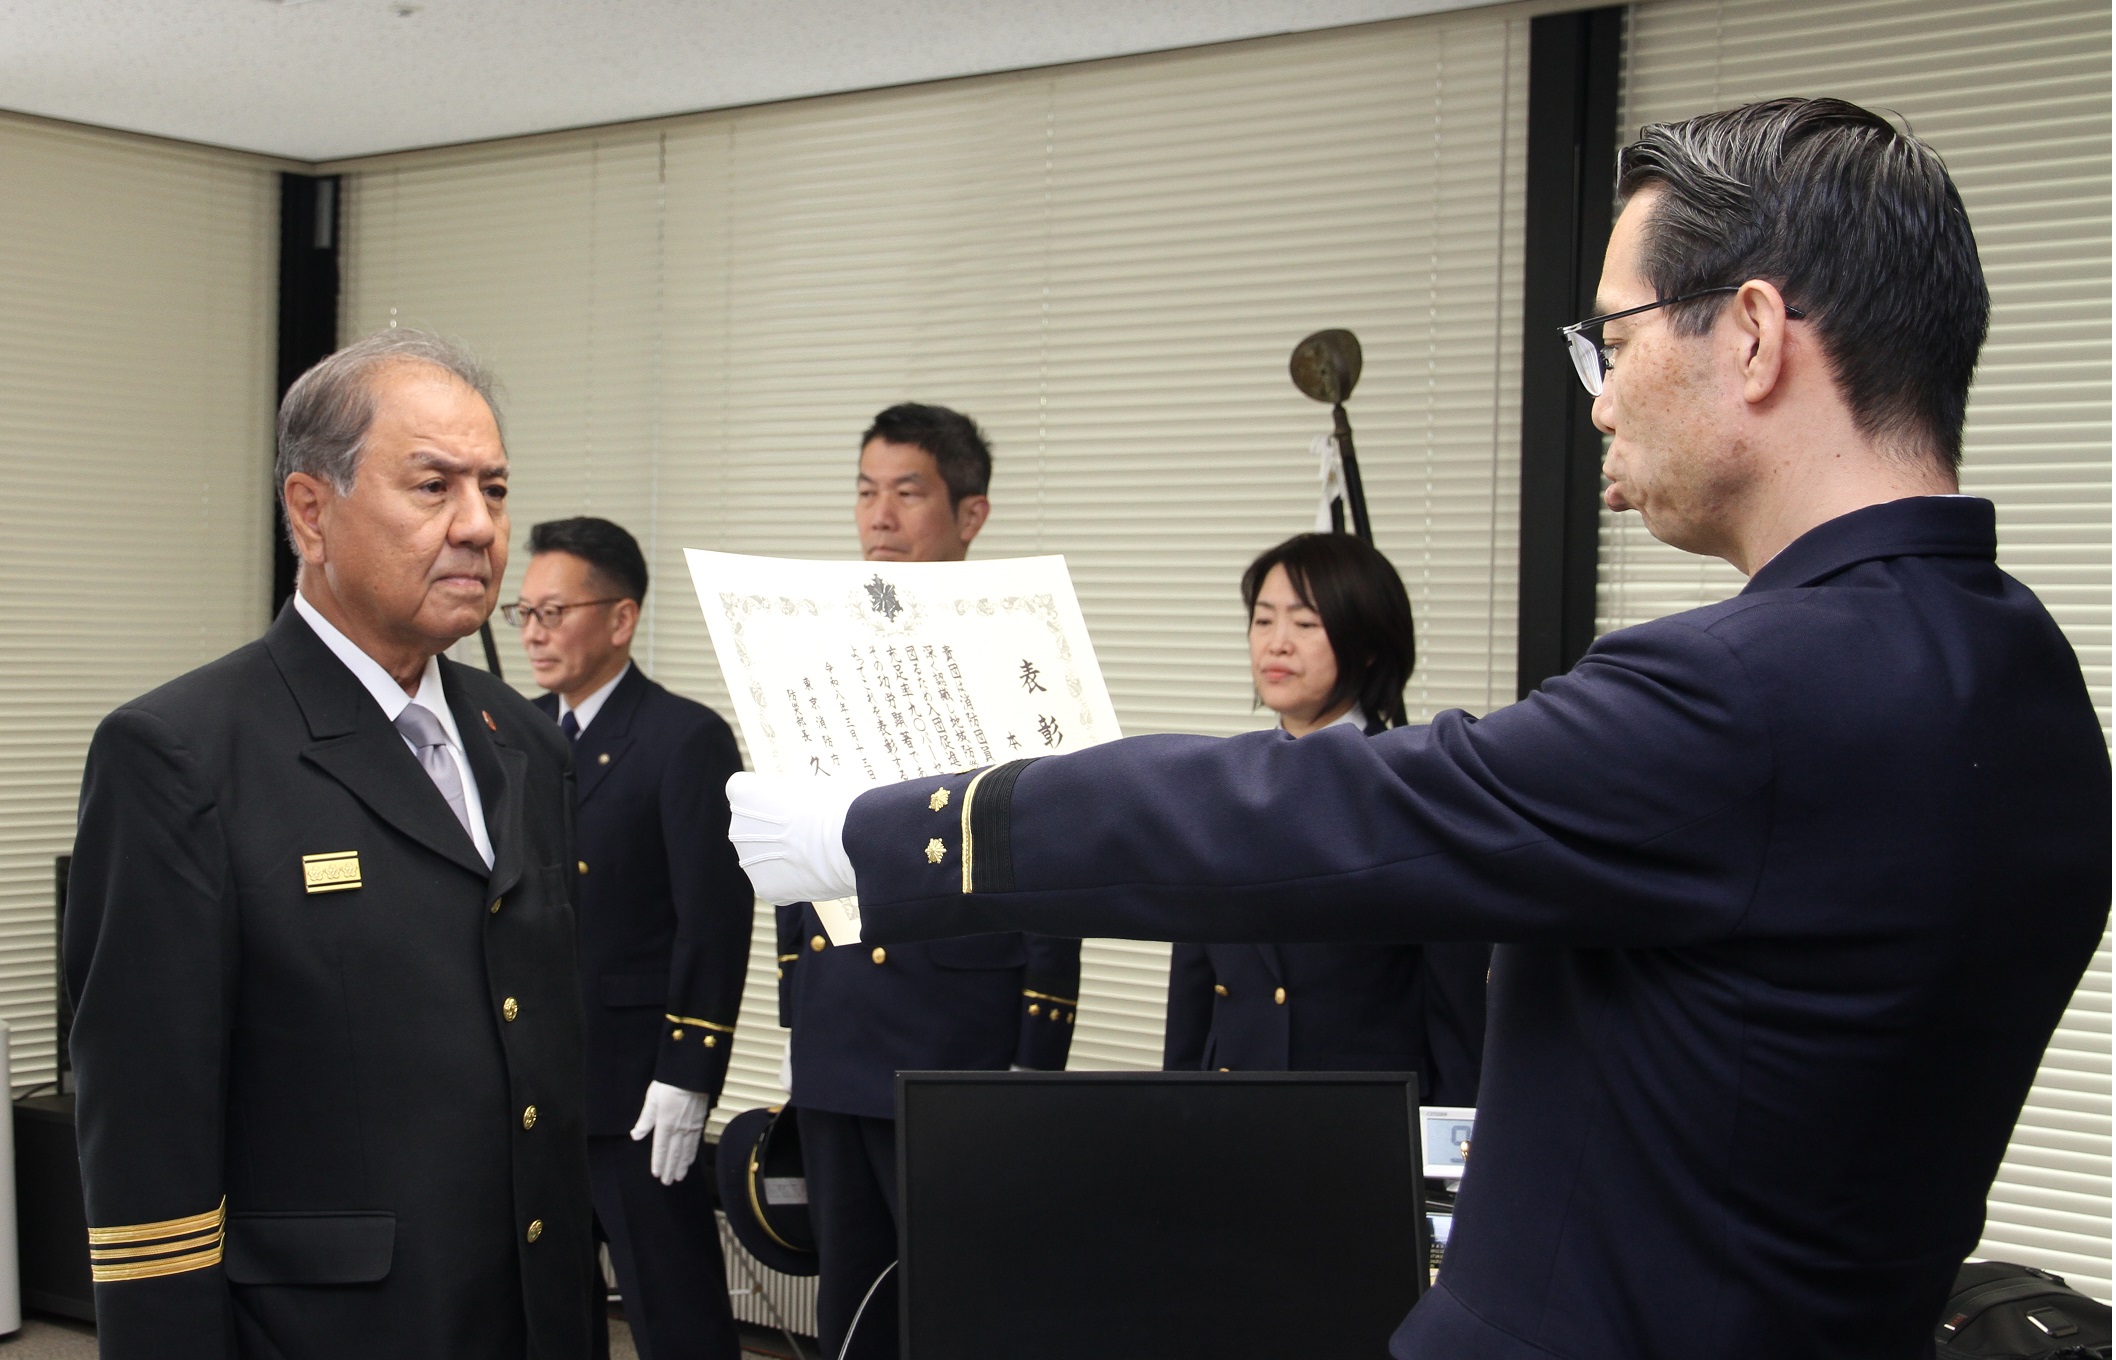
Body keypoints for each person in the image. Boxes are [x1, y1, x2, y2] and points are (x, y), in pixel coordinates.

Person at [727, 99, 2112, 1360]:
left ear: (1749, 333)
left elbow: (1313, 815)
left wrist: (881, 830)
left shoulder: (1746, 692)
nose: (1600, 396)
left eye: (1616, 338)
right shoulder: (2025, 677)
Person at [66, 331, 596, 1358]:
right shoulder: (183, 754)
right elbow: (146, 1131)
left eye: (493, 489)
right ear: (311, 511)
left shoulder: (522, 741)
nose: (478, 526)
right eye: (433, 486)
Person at [776, 402, 1080, 1360]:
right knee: (851, 1307)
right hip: (838, 1029)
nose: (880, 517)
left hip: (958, 1039)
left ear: (970, 514)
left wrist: (1037, 1051)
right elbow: (793, 834)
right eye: (866, 492)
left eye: (907, 494)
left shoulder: (1018, 657)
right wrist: (796, 1008)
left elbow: (1059, 859)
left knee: (962, 1307)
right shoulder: (818, 652)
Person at [514, 517, 752, 1360]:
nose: (534, 633)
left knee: (672, 1307)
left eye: (554, 612)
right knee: (550, 1311)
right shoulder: (515, 731)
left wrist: (689, 1072)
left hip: (638, 1088)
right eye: (524, 613)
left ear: (621, 618)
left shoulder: (684, 738)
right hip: (541, 1081)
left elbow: (713, 918)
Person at [1163, 533, 1487, 1104]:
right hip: (1227, 1110)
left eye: (1306, 623)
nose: (1277, 644)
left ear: (1368, 644)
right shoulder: (1220, 784)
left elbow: (1457, 1009)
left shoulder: (1415, 790)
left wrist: (1454, 1142)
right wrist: (1174, 1114)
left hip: (1359, 1119)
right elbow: (1192, 993)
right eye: (1264, 620)